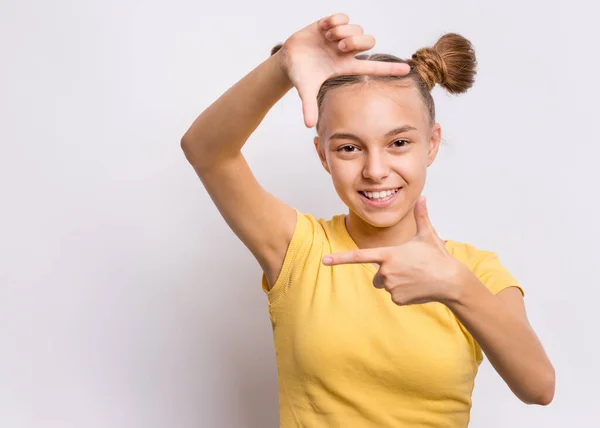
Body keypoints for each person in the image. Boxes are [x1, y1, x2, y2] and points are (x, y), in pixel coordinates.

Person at [181, 12, 555, 428]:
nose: (375, 170)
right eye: (348, 148)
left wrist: (454, 285)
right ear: (322, 155)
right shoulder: (299, 250)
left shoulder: (477, 271)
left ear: (430, 145)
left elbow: (538, 387)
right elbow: (206, 150)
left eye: (398, 143)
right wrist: (283, 65)